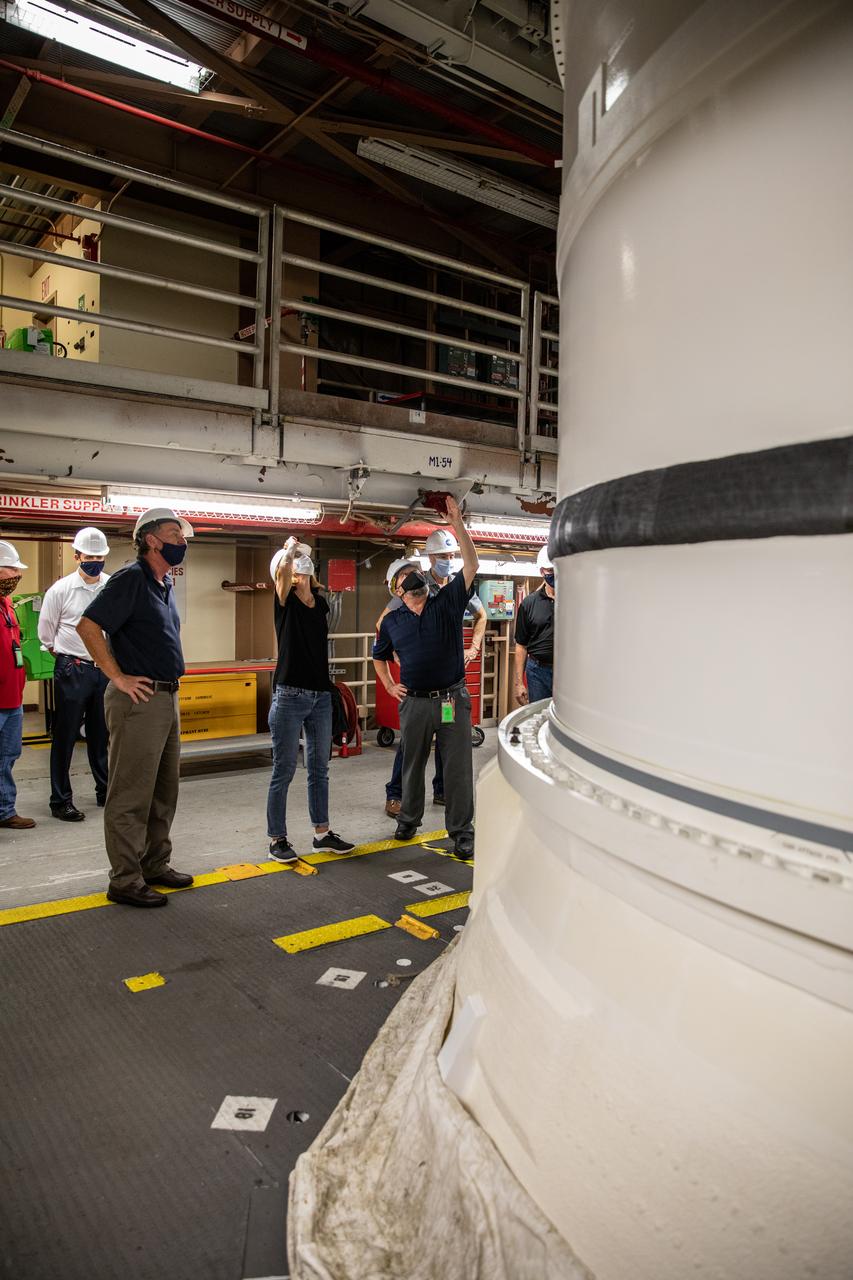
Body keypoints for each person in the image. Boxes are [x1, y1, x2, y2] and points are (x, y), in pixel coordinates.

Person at [77, 506, 195, 908]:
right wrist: (117, 677)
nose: (181, 541)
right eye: (173, 534)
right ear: (150, 539)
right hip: (138, 701)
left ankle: (154, 864)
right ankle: (125, 879)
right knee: (131, 794)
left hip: (166, 697)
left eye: (182, 536)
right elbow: (88, 626)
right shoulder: (131, 578)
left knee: (164, 790)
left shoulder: (163, 584)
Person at [373, 498, 479, 860]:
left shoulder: (446, 603)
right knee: (413, 762)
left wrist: (457, 524)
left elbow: (471, 563)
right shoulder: (392, 622)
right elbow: (378, 656)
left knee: (457, 768)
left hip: (451, 701)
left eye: (414, 574)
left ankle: (462, 831)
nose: (415, 579)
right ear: (397, 592)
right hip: (415, 703)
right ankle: (408, 818)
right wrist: (388, 684)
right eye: (406, 579)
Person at [380, 536, 487, 817]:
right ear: (430, 558)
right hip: (418, 694)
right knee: (412, 750)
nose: (448, 560)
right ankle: (397, 795)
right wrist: (397, 650)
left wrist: (473, 646)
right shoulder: (416, 583)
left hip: (449, 692)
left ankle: (442, 791)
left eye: (451, 554)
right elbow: (384, 624)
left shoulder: (452, 588)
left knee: (449, 744)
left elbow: (481, 615)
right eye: (443, 555)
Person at [266, 536, 354, 864]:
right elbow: (282, 577)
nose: (299, 578)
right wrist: (289, 550)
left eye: (304, 573)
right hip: (289, 695)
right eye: (293, 573)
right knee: (284, 769)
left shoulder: (321, 604)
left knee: (319, 767)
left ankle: (322, 834)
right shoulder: (282, 602)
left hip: (319, 696)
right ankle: (277, 839)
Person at [38, 527, 111, 821]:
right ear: (77, 556)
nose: (94, 561)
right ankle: (60, 801)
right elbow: (47, 635)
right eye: (89, 556)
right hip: (73, 668)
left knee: (100, 734)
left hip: (104, 670)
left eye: (100, 556)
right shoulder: (61, 590)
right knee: (66, 736)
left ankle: (105, 791)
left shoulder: (111, 586)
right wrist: (69, 656)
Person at [0, 540, 36, 832]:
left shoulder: (8, 605)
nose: (16, 574)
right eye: (10, 569)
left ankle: (5, 810)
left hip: (13, 697)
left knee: (8, 756)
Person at [514, 545, 556, 705]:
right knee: (540, 717)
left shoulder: (576, 600)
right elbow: (521, 646)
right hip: (538, 671)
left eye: (558, 569)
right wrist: (519, 683)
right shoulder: (529, 604)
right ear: (542, 572)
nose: (555, 574)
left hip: (569, 672)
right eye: (550, 570)